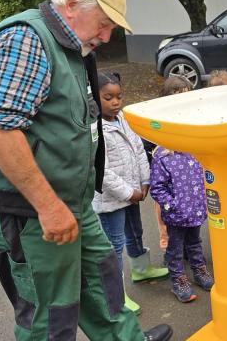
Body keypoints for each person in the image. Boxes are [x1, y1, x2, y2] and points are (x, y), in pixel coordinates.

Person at [0, 0, 172, 340]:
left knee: (102, 278)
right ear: (70, 6)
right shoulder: (26, 39)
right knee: (51, 309)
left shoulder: (70, 45)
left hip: (73, 202)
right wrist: (49, 208)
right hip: (31, 211)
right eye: (103, 24)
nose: (106, 36)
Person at [93, 72, 169, 314]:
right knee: (114, 245)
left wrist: (145, 181)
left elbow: (138, 147)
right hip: (111, 200)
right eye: (108, 97)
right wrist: (129, 192)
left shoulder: (122, 117)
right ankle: (116, 295)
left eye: (119, 96)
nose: (116, 102)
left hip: (134, 192)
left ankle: (141, 269)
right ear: (94, 98)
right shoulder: (94, 128)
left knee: (135, 232)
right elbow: (100, 170)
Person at [149, 145, 214, 303]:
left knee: (194, 242)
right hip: (175, 215)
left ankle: (199, 271)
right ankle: (178, 279)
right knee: (175, 249)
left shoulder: (197, 151)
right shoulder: (163, 156)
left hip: (196, 211)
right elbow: (157, 188)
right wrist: (172, 206)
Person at [144, 76, 193, 255]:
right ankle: (170, 252)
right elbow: (147, 147)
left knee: (188, 213)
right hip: (165, 182)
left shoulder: (191, 119)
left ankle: (188, 248)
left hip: (186, 181)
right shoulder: (156, 121)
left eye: (186, 96)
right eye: (177, 96)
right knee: (165, 219)